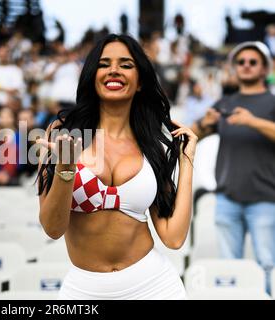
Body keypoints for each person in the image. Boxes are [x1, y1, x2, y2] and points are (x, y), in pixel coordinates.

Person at [37, 34, 197, 300]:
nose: (114, 70)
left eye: (126, 64)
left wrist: (187, 161)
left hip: (155, 286)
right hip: (85, 291)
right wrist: (65, 169)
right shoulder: (63, 133)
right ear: (92, 75)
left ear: (140, 82)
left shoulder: (150, 145)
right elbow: (53, 228)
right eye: (104, 64)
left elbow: (174, 237)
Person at [191, 41, 275, 294]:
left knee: (267, 265)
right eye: (241, 62)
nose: (246, 66)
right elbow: (190, 135)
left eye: (252, 62)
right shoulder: (225, 102)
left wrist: (252, 121)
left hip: (265, 198)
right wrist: (204, 124)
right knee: (231, 269)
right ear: (235, 68)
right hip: (227, 197)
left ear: (264, 69)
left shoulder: (271, 102)